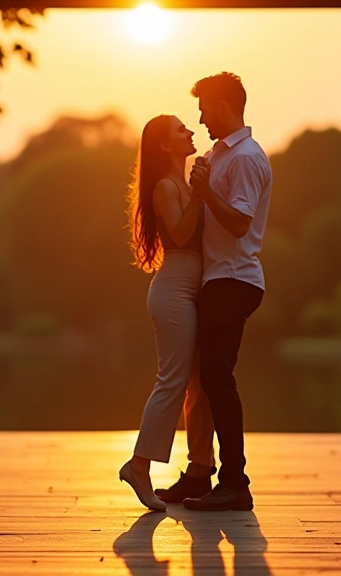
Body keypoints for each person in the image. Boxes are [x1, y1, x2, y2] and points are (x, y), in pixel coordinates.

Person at [180, 72, 272, 512]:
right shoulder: (218, 156)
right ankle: (202, 474)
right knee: (206, 379)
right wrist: (199, 185)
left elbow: (238, 223)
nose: (200, 119)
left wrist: (205, 191)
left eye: (204, 108)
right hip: (217, 279)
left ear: (222, 105)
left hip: (235, 280)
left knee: (218, 379)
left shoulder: (247, 158)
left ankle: (235, 483)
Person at [118, 115, 217, 511]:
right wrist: (198, 192)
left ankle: (201, 468)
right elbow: (180, 235)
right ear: (164, 146)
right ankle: (139, 464)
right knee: (173, 380)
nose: (191, 132)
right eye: (181, 130)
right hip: (174, 289)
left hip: (194, 287)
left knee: (201, 383)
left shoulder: (187, 183)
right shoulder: (166, 186)